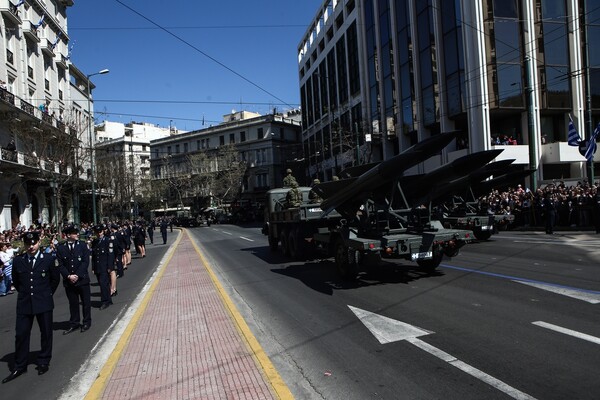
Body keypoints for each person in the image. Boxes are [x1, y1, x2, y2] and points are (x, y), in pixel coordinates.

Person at [2, 231, 60, 383]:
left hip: (43, 301)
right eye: (28, 244)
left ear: (39, 243)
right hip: (25, 302)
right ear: (24, 245)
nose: (31, 246)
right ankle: (20, 365)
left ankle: (43, 361)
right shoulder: (19, 261)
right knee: (21, 334)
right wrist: (27, 294)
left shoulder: (48, 259)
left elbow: (54, 280)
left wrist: (46, 294)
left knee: (46, 332)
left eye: (33, 243)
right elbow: (17, 280)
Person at [56, 225, 92, 334]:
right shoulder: (61, 248)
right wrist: (68, 276)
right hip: (69, 281)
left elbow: (85, 261)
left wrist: (77, 275)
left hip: (82, 279)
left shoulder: (82, 245)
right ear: (67, 235)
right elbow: (60, 264)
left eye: (77, 232)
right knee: (73, 303)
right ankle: (74, 323)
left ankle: (86, 322)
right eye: (74, 233)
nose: (77, 234)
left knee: (86, 302)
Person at [91, 225, 114, 310]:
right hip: (98, 266)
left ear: (103, 231)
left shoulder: (107, 241)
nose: (99, 234)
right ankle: (109, 299)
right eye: (97, 232)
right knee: (103, 283)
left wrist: (110, 267)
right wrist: (93, 267)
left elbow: (110, 255)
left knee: (103, 284)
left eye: (100, 232)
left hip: (105, 266)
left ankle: (105, 301)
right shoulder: (95, 242)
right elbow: (94, 256)